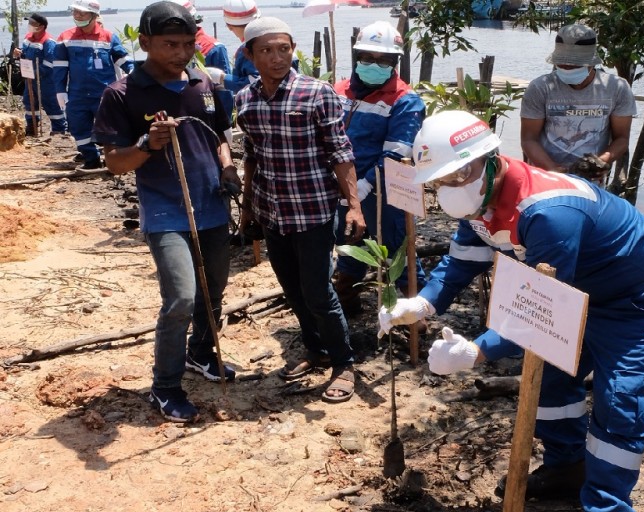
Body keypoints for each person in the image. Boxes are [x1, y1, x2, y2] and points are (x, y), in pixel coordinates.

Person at [379, 110, 644, 512]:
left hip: (638, 298)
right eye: (441, 180)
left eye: (460, 174)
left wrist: (478, 352)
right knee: (548, 381)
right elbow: (463, 260)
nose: (451, 186)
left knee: (620, 403)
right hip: (579, 290)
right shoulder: (482, 203)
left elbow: (546, 317)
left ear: (490, 162)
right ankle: (569, 465)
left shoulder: (547, 211)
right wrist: (423, 302)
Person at [93, 0, 240, 423]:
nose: (181, 53)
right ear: (144, 43)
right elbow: (114, 162)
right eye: (169, 44)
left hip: (211, 205)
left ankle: (200, 354)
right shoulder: (121, 93)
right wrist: (146, 144)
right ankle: (165, 385)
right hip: (164, 212)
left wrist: (228, 168)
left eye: (187, 44)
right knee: (180, 297)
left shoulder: (203, 83)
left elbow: (219, 137)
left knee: (213, 291)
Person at [235, 16, 366, 403]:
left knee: (318, 291)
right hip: (272, 211)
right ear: (250, 55)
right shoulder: (246, 99)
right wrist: (247, 210)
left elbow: (341, 153)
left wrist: (354, 207)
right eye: (267, 51)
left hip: (312, 211)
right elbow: (252, 157)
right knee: (291, 288)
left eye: (284, 49)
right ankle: (315, 348)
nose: (278, 58)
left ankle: (344, 363)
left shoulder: (317, 93)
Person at [332, 20, 426, 315]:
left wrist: (360, 191)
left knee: (399, 251)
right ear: (357, 56)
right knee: (349, 242)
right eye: (369, 58)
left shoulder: (405, 101)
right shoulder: (339, 90)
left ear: (395, 61)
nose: (376, 64)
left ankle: (417, 314)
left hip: (384, 191)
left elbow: (397, 156)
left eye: (384, 59)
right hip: (343, 187)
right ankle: (348, 302)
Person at [519, 23, 636, 184]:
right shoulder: (540, 88)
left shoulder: (616, 88)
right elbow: (529, 139)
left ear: (592, 63)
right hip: (545, 178)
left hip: (591, 182)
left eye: (573, 66)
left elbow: (622, 139)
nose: (566, 69)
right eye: (561, 65)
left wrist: (601, 162)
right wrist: (552, 169)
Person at [53, 0, 133, 170]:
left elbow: (122, 59)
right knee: (78, 126)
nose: (77, 16)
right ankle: (91, 159)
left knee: (110, 128)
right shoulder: (65, 38)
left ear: (94, 16)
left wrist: (134, 71)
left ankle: (115, 160)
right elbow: (60, 66)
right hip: (77, 94)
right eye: (75, 12)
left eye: (82, 13)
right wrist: (60, 90)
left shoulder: (109, 37)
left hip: (104, 93)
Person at [13, 13, 67, 137]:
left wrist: (37, 73)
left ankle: (59, 129)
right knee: (29, 101)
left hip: (46, 80)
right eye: (29, 23)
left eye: (33, 23)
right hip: (30, 78)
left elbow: (50, 62)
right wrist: (19, 54)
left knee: (51, 103)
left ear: (41, 26)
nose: (30, 25)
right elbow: (26, 55)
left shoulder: (48, 42)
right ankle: (32, 127)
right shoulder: (28, 38)